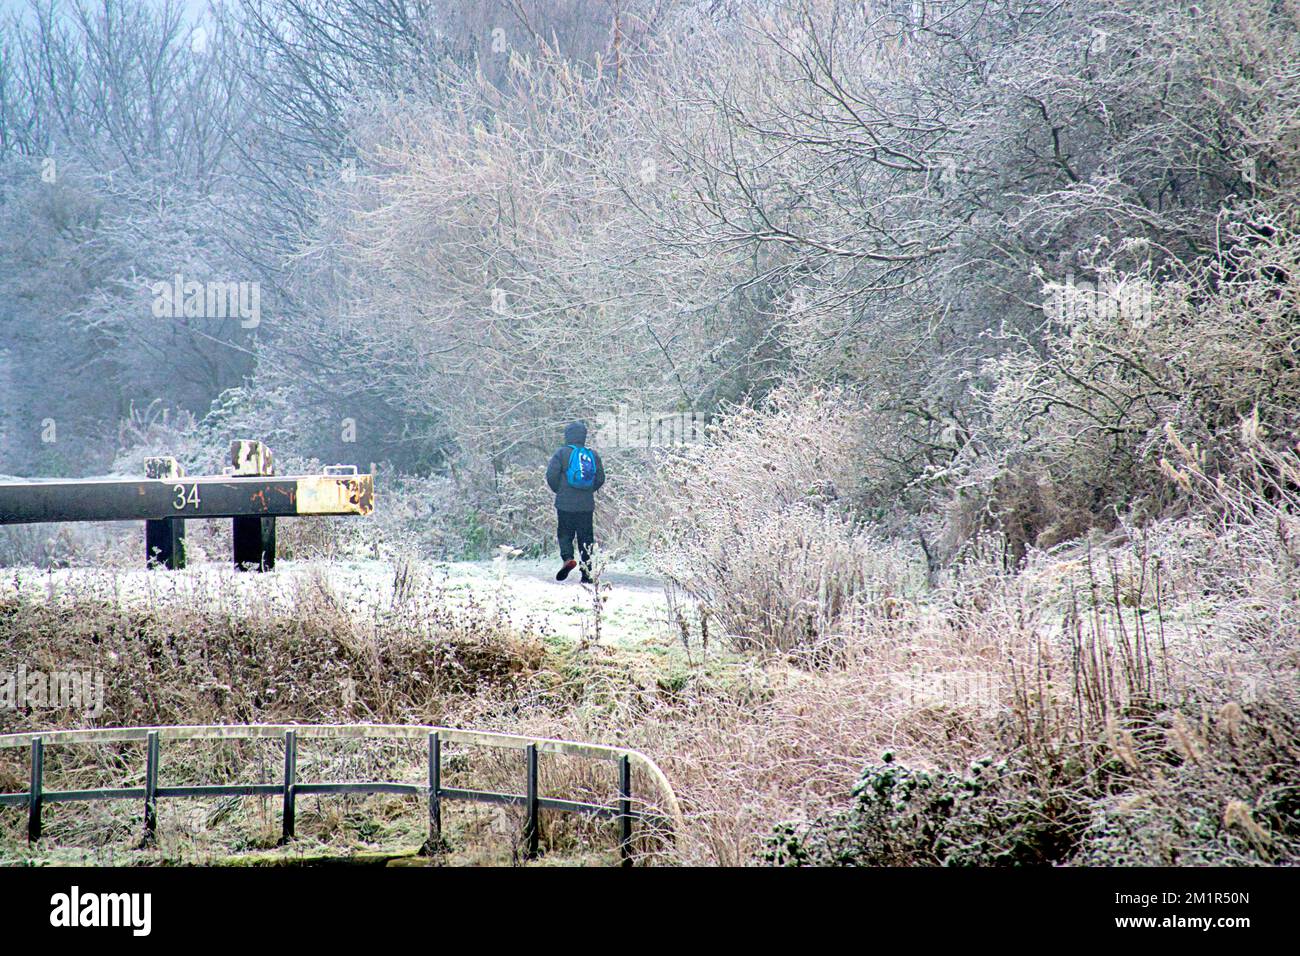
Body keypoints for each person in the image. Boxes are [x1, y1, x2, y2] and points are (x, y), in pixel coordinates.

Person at [545, 421, 605, 582]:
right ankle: (586, 573)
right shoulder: (592, 454)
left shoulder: (561, 453)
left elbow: (551, 475)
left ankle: (568, 558)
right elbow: (600, 478)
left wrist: (560, 491)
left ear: (567, 436)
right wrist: (588, 491)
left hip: (564, 503)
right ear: (583, 436)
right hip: (586, 505)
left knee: (565, 533)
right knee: (586, 538)